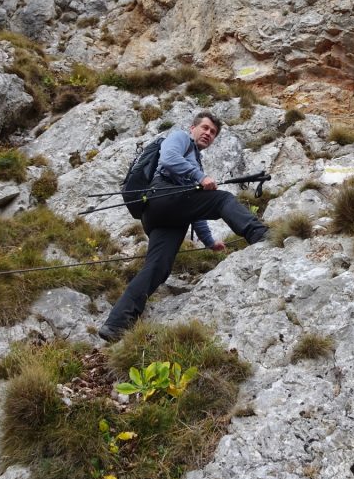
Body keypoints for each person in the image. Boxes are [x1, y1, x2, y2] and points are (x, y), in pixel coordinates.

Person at [98, 111, 268, 342]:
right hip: (163, 197)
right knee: (223, 199)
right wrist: (200, 177)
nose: (208, 133)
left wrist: (209, 241)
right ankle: (260, 235)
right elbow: (168, 158)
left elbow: (193, 209)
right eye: (205, 128)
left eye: (213, 132)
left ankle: (116, 323)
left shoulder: (194, 158)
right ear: (192, 128)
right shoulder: (180, 138)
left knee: (157, 268)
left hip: (163, 216)